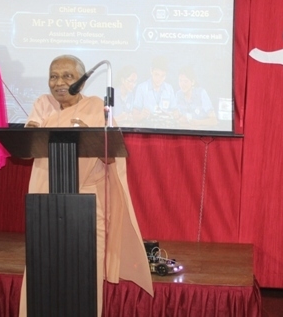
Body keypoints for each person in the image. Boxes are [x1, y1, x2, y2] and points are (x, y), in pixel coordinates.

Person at [19, 55, 153, 317]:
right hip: (46, 202)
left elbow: (111, 157)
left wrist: (88, 133)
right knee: (42, 270)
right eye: (53, 76)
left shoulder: (96, 107)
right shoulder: (43, 104)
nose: (59, 82)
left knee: (85, 273)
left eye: (67, 76)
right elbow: (26, 149)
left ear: (81, 81)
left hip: (88, 205)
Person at [132, 56, 178, 125]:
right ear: (151, 71)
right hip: (147, 128)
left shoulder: (169, 88)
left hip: (165, 127)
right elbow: (134, 117)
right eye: (157, 74)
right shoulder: (141, 88)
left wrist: (174, 114)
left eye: (163, 76)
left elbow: (175, 111)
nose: (159, 79)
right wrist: (141, 115)